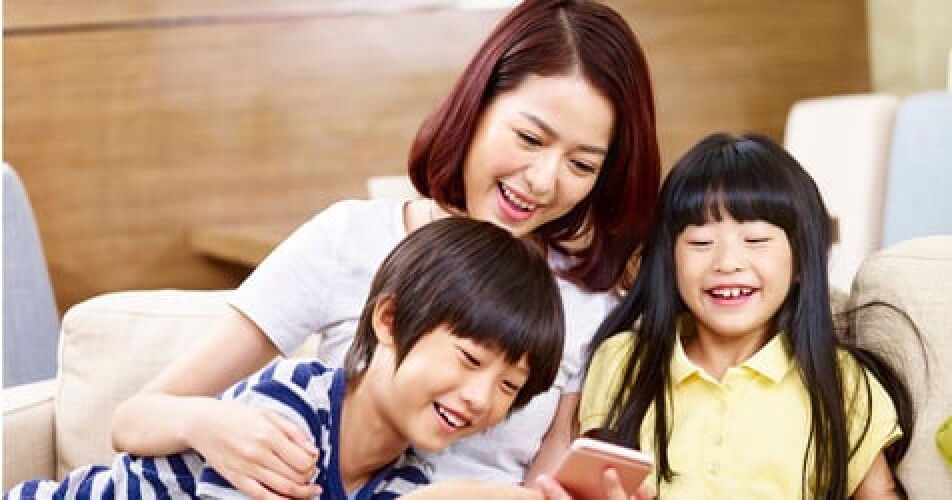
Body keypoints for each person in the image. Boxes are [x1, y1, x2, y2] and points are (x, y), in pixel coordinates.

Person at [110, 0, 661, 496]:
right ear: (478, 107)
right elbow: (135, 417)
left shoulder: (589, 304)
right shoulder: (348, 240)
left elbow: (547, 485)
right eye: (530, 138)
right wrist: (209, 425)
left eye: (581, 164)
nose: (542, 181)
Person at [6, 218, 565, 500]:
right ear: (389, 321)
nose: (481, 398)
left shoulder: (405, 477)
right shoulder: (294, 409)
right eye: (469, 359)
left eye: (509, 386)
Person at [548, 133, 917, 499]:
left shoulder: (841, 380)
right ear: (669, 261)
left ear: (801, 260)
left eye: (755, 240)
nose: (727, 263)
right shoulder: (624, 360)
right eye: (700, 243)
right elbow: (588, 486)